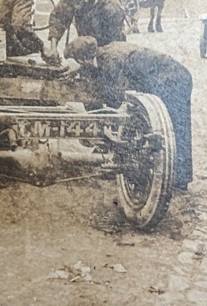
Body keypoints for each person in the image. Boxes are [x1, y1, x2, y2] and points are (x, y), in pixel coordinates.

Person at [64, 36, 193, 191]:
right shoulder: (104, 52)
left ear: (84, 58)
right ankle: (174, 176)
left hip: (172, 80)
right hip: (167, 77)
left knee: (172, 127)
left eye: (79, 62)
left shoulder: (111, 60)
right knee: (165, 127)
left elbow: (118, 98)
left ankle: (179, 179)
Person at [46, 0, 126, 60]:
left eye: (76, 6)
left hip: (111, 54)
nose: (74, 9)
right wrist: (53, 48)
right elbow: (59, 17)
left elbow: (112, 45)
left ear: (88, 0)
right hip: (88, 49)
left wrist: (89, 62)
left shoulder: (112, 8)